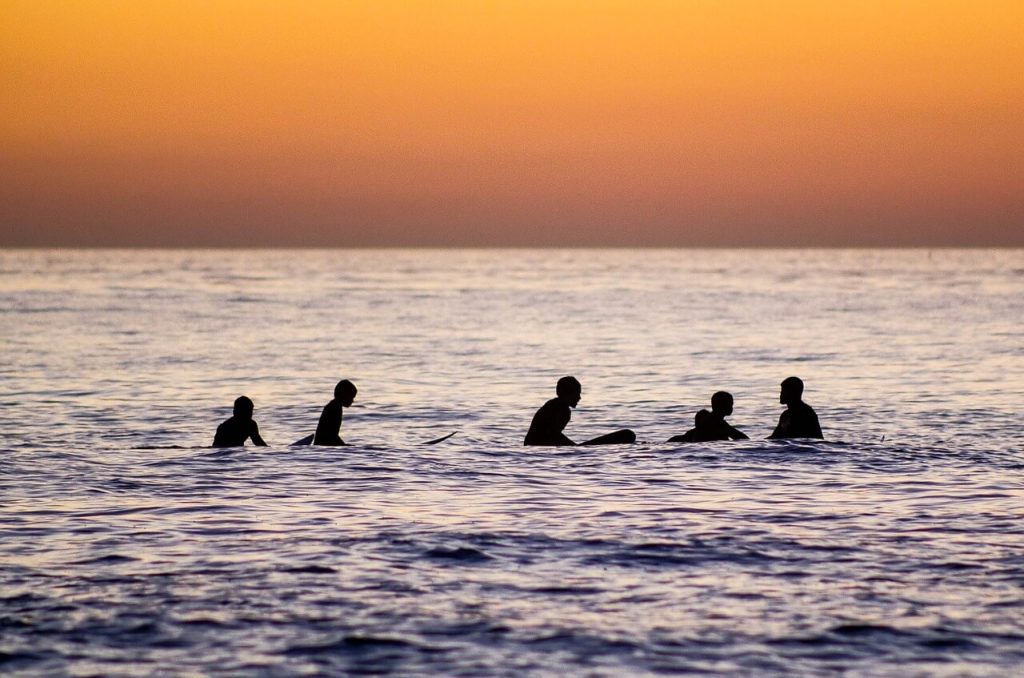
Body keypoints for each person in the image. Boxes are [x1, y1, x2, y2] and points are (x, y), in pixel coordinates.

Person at [524, 376, 635, 446]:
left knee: (628, 434)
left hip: (534, 444)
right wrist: (573, 448)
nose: (579, 398)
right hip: (536, 445)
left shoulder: (555, 405)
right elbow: (551, 434)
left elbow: (553, 435)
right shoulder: (560, 408)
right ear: (568, 394)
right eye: (577, 394)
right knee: (628, 435)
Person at [314, 379, 358, 446]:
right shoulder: (335, 408)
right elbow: (330, 435)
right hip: (324, 446)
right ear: (344, 395)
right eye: (351, 397)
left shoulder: (334, 406)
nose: (352, 401)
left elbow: (332, 434)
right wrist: (344, 446)